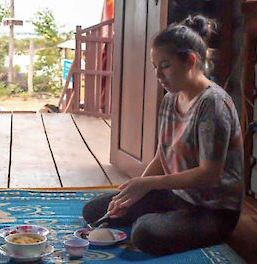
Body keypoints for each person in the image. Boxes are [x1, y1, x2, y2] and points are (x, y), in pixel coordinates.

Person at [82, 15, 243, 256]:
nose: (158, 75)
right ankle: (164, 217)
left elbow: (209, 175)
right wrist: (136, 193)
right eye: (155, 67)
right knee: (95, 211)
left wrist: (148, 184)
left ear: (190, 61)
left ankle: (167, 221)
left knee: (144, 233)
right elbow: (162, 155)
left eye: (165, 66)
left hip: (212, 209)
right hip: (176, 194)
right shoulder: (170, 99)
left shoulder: (213, 104)